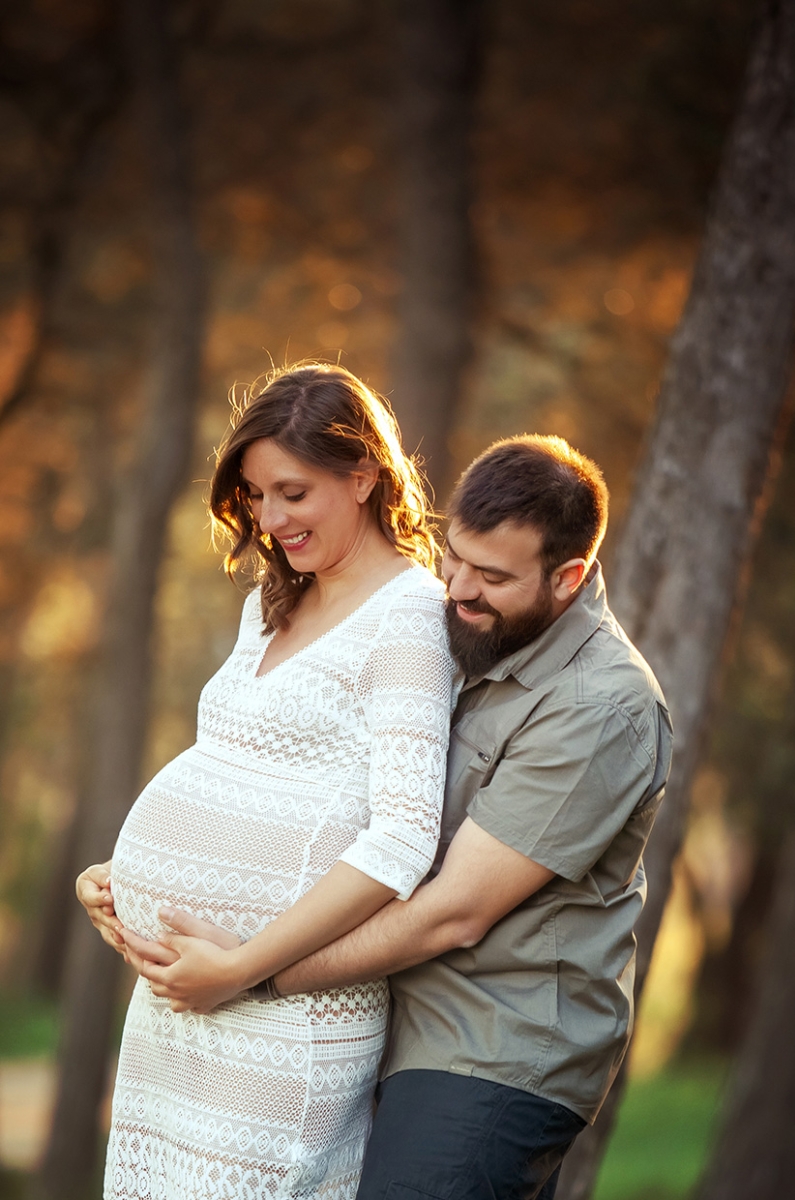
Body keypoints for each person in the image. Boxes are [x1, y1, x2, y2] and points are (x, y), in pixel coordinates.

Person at [84, 434, 673, 1200]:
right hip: (393, 1018)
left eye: (491, 576)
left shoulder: (599, 707)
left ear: (569, 578)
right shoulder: (475, 630)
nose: (456, 586)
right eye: (454, 555)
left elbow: (453, 914)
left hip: (488, 1049)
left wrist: (253, 972)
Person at [77, 363, 455, 1200]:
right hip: (181, 1010)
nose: (270, 519)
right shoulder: (272, 603)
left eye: (293, 492)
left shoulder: (409, 618)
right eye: (254, 496)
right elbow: (237, 766)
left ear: (362, 477)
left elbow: (401, 838)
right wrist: (122, 875)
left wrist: (242, 967)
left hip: (281, 1020)